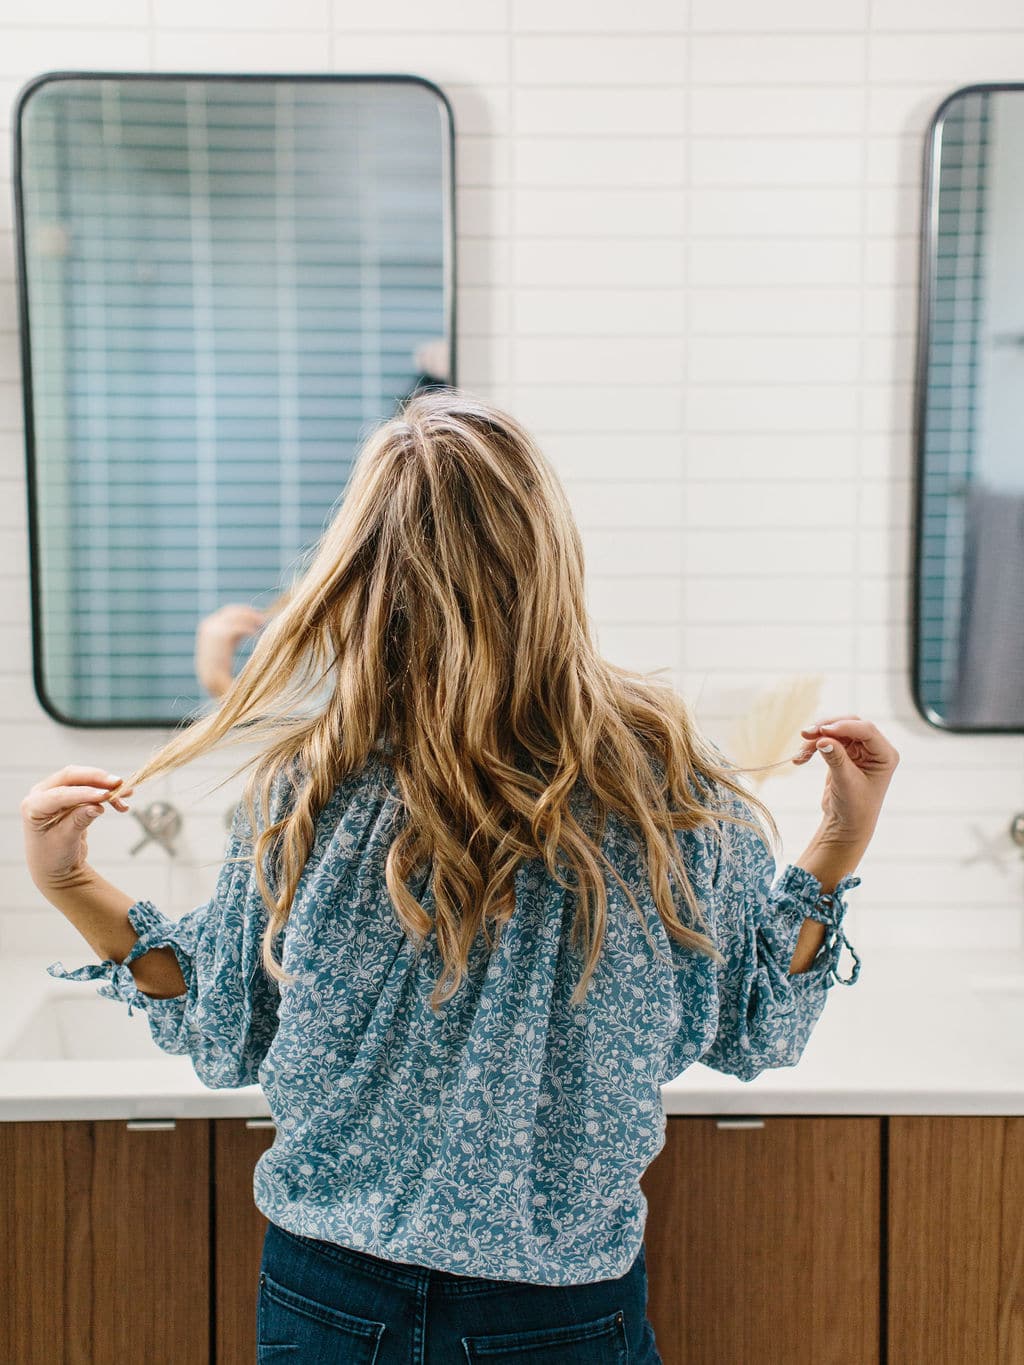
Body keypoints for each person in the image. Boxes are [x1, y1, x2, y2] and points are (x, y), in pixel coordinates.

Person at [21, 388, 898, 1364]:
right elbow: (757, 1030)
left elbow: (223, 1028)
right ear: (548, 557)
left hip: (328, 1301)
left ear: (362, 575)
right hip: (557, 1308)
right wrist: (833, 846)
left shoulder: (312, 791)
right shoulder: (668, 794)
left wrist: (72, 889)